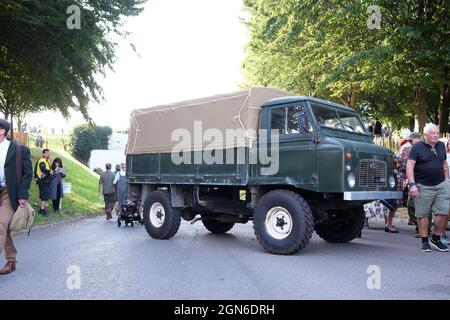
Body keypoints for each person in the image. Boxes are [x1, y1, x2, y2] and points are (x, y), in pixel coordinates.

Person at [406, 123, 449, 252]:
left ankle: (436, 238)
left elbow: (444, 163)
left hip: (441, 184)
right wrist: (412, 184)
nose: (436, 136)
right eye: (433, 133)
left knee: (443, 211)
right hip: (423, 185)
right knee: (423, 214)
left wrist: (447, 179)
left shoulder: (441, 145)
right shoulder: (417, 147)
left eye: (437, 133)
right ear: (426, 135)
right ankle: (425, 240)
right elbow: (409, 166)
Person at [0, 119, 32, 275]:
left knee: (0, 224)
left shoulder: (20, 150)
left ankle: (10, 260)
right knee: (3, 229)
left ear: (2, 131)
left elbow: (28, 174)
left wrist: (22, 195)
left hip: (9, 192)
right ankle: (11, 260)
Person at [35, 149, 52, 216]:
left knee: (44, 195)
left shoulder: (47, 161)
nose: (48, 154)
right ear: (43, 154)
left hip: (46, 180)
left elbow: (48, 170)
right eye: (47, 153)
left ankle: (42, 208)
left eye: (49, 153)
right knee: (43, 196)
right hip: (42, 180)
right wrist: (49, 171)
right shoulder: (42, 160)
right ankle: (42, 210)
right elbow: (43, 169)